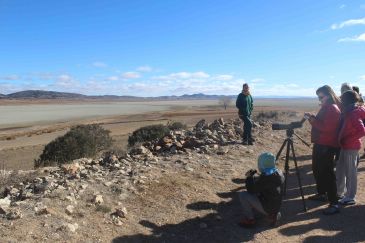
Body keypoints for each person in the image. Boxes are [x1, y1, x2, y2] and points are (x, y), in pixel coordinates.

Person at [304, 85, 341, 215]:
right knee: (317, 170)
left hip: (327, 145)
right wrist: (313, 118)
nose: (319, 99)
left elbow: (326, 128)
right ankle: (321, 194)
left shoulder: (332, 108)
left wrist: (312, 120)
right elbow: (321, 123)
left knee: (327, 174)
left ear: (329, 95)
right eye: (318, 97)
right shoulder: (327, 107)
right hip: (320, 144)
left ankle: (334, 203)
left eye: (321, 97)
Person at [238, 152, 284, 228]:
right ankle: (274, 215)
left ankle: (250, 220)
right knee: (263, 193)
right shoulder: (279, 173)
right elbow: (265, 183)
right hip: (276, 207)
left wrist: (249, 177)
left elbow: (251, 190)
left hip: (268, 208)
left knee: (243, 195)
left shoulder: (265, 179)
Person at [336, 90, 365, 206]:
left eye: (342, 99)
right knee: (341, 168)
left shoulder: (353, 113)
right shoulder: (351, 110)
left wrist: (348, 139)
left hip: (350, 146)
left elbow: (362, 130)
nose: (341, 101)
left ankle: (350, 197)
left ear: (346, 100)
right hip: (346, 145)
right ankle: (340, 193)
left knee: (350, 172)